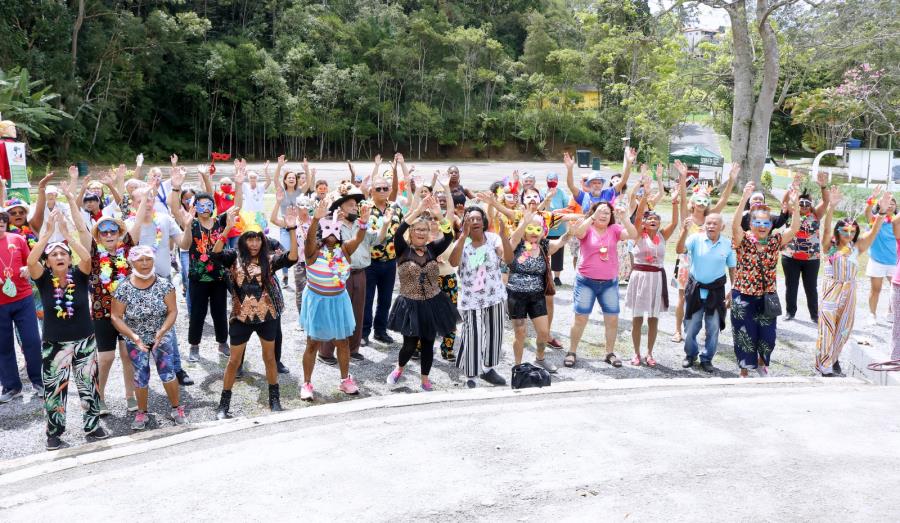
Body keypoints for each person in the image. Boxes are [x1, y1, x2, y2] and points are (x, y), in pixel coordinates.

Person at [27, 211, 108, 450]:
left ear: (69, 259)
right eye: (54, 255)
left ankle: (92, 426)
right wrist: (48, 234)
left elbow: (88, 259)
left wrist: (69, 238)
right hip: (55, 345)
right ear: (48, 262)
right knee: (54, 390)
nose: (60, 256)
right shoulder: (42, 279)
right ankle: (54, 432)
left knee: (88, 385)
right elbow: (31, 262)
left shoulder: (79, 277)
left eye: (63, 254)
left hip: (85, 341)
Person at [213, 206, 299, 417]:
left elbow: (293, 257)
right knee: (233, 361)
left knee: (269, 358)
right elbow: (214, 255)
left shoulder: (269, 260)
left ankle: (274, 399)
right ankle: (224, 404)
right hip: (240, 317)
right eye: (249, 239)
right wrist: (226, 230)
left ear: (263, 240)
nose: (253, 243)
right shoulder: (233, 257)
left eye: (257, 239)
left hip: (267, 317)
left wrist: (292, 229)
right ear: (243, 240)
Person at [67, 179, 138, 416]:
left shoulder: (129, 251)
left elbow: (136, 217)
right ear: (99, 235)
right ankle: (100, 396)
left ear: (120, 233)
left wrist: (147, 197)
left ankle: (130, 396)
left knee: (128, 355)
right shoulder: (94, 253)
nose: (109, 234)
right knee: (105, 358)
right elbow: (79, 227)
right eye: (104, 231)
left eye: (113, 230)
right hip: (102, 312)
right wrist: (70, 198)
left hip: (128, 311)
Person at [816, 188, 893, 376]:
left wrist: (881, 213)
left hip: (849, 292)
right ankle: (823, 366)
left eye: (853, 231)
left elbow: (874, 232)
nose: (849, 234)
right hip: (831, 290)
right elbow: (826, 229)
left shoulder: (856, 246)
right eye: (845, 231)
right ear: (838, 231)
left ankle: (833, 360)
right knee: (827, 327)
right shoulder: (830, 246)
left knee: (843, 329)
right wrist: (831, 208)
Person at [298, 199, 369, 401]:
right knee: (312, 344)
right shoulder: (313, 253)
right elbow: (310, 239)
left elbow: (359, 237)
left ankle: (345, 379)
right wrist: (316, 220)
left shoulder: (344, 250)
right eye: (326, 229)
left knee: (343, 342)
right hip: (318, 302)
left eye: (334, 229)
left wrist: (363, 222)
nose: (331, 233)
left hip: (338, 302)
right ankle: (307, 383)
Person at [385, 196, 459, 390]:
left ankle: (425, 379)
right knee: (409, 345)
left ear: (428, 234)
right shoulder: (402, 249)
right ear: (412, 232)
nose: (420, 232)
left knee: (428, 343)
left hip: (433, 303)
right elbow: (399, 231)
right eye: (417, 229)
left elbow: (449, 236)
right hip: (410, 303)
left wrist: (438, 215)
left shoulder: (433, 249)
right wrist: (417, 211)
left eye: (424, 230)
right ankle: (399, 368)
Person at [111, 245, 186, 430]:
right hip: (136, 339)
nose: (144, 263)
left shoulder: (164, 284)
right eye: (140, 260)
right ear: (131, 262)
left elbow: (172, 311)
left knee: (167, 372)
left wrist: (162, 331)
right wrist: (133, 336)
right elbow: (116, 316)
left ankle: (177, 408)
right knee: (140, 375)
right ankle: (141, 412)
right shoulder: (123, 288)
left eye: (148, 259)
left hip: (162, 336)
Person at [731, 182, 802, 377]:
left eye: (766, 223)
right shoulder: (743, 239)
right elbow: (734, 224)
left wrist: (794, 207)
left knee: (768, 336)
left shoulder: (774, 241)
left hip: (767, 296)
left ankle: (762, 363)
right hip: (743, 295)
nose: (762, 226)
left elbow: (794, 228)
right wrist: (744, 198)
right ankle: (744, 370)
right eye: (758, 223)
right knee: (744, 334)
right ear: (751, 224)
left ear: (771, 225)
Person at [126, 181, 193, 386]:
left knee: (168, 327)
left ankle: (176, 368)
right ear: (133, 205)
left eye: (151, 198)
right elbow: (133, 238)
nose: (148, 203)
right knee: (141, 329)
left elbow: (184, 244)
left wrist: (188, 226)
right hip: (138, 284)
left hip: (163, 281)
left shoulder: (164, 219)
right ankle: (143, 375)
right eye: (142, 200)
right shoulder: (129, 224)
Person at [564, 201, 639, 368]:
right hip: (586, 281)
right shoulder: (587, 227)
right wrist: (592, 217)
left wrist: (625, 218)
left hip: (609, 283)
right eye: (601, 211)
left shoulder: (614, 229)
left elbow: (633, 234)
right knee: (580, 318)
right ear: (593, 213)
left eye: (607, 212)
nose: (604, 215)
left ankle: (609, 353)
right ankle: (572, 351)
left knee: (612, 319)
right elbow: (578, 232)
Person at [671, 160, 739, 342]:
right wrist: (683, 177)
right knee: (682, 297)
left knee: (706, 297)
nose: (701, 203)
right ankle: (678, 330)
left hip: (706, 263)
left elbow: (724, 199)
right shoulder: (687, 215)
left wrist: (731, 180)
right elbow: (683, 198)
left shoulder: (711, 218)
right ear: (693, 203)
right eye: (697, 200)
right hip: (686, 262)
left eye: (704, 200)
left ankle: (703, 328)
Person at [171, 166, 231, 362]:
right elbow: (186, 244)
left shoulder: (220, 222)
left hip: (218, 276)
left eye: (208, 204)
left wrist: (235, 182)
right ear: (194, 207)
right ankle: (194, 346)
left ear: (213, 206)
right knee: (197, 312)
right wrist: (176, 188)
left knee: (219, 310)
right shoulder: (192, 222)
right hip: (198, 277)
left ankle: (222, 342)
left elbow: (236, 205)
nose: (205, 208)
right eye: (200, 205)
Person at [449, 206, 513, 387]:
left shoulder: (493, 239)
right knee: (472, 337)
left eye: (478, 218)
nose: (475, 221)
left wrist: (503, 235)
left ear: (484, 222)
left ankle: (488, 369)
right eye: (470, 219)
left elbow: (508, 259)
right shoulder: (462, 243)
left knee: (495, 334)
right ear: (464, 223)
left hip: (495, 297)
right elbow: (453, 262)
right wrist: (463, 236)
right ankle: (471, 377)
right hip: (472, 300)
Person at [315, 182, 378, 364]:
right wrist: (334, 221)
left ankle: (353, 348)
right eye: (350, 205)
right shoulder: (329, 224)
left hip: (360, 273)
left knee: (357, 311)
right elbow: (325, 245)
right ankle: (326, 352)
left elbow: (377, 239)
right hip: (338, 275)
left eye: (355, 205)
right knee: (334, 312)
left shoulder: (361, 223)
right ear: (339, 206)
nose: (354, 207)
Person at [506, 209, 569, 373]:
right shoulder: (516, 244)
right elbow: (513, 238)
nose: (534, 232)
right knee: (520, 333)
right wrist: (523, 223)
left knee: (543, 332)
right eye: (530, 228)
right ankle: (518, 365)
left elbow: (563, 240)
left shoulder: (544, 246)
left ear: (542, 231)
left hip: (537, 296)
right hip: (516, 295)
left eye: (538, 228)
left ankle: (540, 358)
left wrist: (571, 231)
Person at [675, 212, 736, 373]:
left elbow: (732, 268)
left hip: (716, 293)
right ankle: (690, 355)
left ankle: (707, 358)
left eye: (715, 223)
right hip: (695, 290)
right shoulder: (696, 239)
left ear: (722, 226)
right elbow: (679, 249)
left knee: (714, 328)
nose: (711, 226)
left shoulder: (727, 244)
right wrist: (683, 231)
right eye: (708, 223)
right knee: (690, 327)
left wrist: (733, 288)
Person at [625, 190, 680, 366]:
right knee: (637, 317)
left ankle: (649, 353)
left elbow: (676, 222)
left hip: (656, 278)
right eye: (650, 219)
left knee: (653, 318)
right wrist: (644, 199)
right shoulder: (637, 236)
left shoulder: (663, 236)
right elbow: (639, 215)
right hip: (639, 278)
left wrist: (674, 202)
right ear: (645, 223)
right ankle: (636, 353)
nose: (653, 220)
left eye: (656, 219)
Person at [0, 209, 43, 404]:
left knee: (32, 341)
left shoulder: (17, 239)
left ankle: (39, 381)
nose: (0, 225)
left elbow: (31, 262)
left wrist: (28, 268)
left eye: (2, 222)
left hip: (23, 298)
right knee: (3, 345)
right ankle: (11, 386)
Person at [362, 158, 402, 346]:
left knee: (385, 299)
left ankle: (380, 330)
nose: (383, 191)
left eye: (385, 188)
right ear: (371, 191)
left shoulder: (395, 208)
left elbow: (402, 232)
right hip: (370, 261)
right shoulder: (365, 208)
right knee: (367, 299)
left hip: (390, 261)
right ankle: (363, 333)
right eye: (378, 189)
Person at [780, 172, 830, 323]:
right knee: (791, 285)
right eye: (801, 202)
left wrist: (823, 186)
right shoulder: (792, 212)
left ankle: (814, 315)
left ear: (811, 204)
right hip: (790, 256)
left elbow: (826, 201)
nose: (803, 205)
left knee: (811, 287)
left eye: (807, 203)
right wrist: (792, 187)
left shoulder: (816, 215)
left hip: (811, 258)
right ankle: (790, 312)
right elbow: (784, 201)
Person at [862, 188, 897, 326]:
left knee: (895, 290)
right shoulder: (876, 220)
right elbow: (867, 212)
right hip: (877, 260)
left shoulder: (897, 221)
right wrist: (873, 197)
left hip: (895, 262)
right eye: (887, 202)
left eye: (892, 202)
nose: (890, 204)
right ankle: (872, 314)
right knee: (875, 289)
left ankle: (891, 312)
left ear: (895, 207)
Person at [565, 148, 636, 210]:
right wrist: (569, 169)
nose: (597, 185)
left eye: (599, 183)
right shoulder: (584, 197)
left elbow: (623, 181)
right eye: (594, 183)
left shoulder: (608, 193)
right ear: (589, 184)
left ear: (602, 185)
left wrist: (629, 164)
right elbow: (571, 186)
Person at [274, 155, 303, 286]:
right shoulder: (282, 192)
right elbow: (275, 179)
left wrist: (307, 170)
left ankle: (300, 273)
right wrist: (279, 166)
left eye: (293, 177)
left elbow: (309, 183)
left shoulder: (299, 191)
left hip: (299, 227)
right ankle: (285, 275)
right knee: (286, 250)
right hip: (285, 227)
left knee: (301, 250)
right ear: (285, 180)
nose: (291, 179)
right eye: (289, 177)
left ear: (296, 180)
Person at [544, 172, 570, 287]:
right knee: (543, 253)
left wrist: (559, 211)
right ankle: (544, 275)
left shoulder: (562, 192)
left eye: (554, 180)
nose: (552, 183)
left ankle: (557, 277)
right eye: (550, 180)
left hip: (559, 227)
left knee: (558, 252)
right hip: (544, 228)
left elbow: (568, 207)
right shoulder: (542, 191)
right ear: (546, 180)